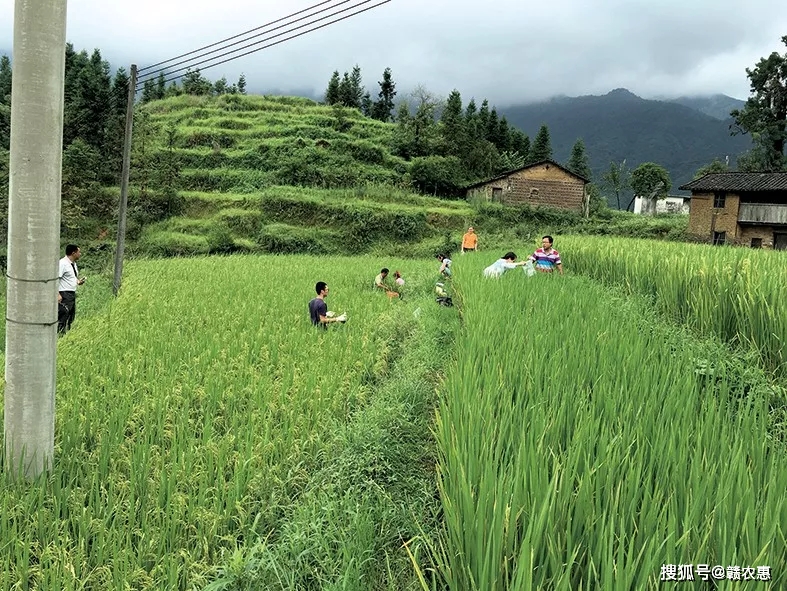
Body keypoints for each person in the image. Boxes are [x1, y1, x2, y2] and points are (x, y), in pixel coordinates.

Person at [57, 244, 85, 333]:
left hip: (71, 293)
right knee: (63, 315)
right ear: (73, 253)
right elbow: (56, 279)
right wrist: (57, 294)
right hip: (64, 293)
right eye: (78, 252)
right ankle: (60, 334)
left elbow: (71, 277)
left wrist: (78, 281)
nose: (80, 254)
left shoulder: (73, 264)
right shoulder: (62, 264)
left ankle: (67, 334)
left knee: (71, 316)